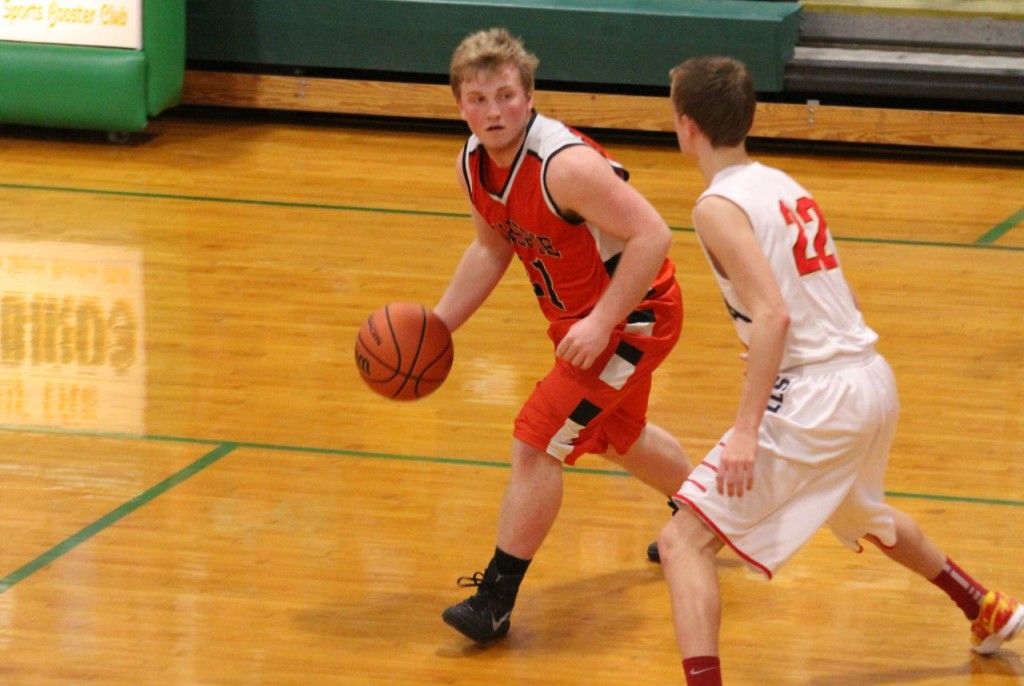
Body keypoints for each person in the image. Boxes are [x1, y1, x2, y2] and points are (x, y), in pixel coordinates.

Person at [656, 55, 1023, 685]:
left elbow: (773, 315)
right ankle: (986, 609)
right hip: (868, 376)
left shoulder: (717, 206)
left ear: (686, 125)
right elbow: (824, 298)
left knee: (682, 541)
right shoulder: (783, 184)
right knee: (862, 515)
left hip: (818, 394)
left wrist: (747, 427)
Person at [434, 27, 692, 644]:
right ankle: (715, 514)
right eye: (478, 99)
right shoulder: (473, 162)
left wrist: (603, 320)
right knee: (616, 434)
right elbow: (489, 249)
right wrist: (439, 324)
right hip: (583, 323)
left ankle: (495, 599)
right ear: (459, 103)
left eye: (505, 96)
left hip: (634, 317)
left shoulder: (563, 166)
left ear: (529, 96)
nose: (493, 111)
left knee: (536, 440)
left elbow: (653, 234)